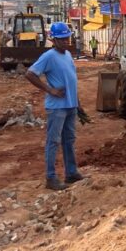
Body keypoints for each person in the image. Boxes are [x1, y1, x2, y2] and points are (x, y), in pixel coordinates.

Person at [26, 22, 87, 191]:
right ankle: (51, 177)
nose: (66, 41)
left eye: (67, 38)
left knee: (69, 140)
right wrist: (49, 89)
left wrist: (78, 103)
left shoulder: (67, 54)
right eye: (62, 39)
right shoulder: (48, 56)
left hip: (70, 106)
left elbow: (71, 80)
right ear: (53, 40)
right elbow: (30, 74)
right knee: (53, 141)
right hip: (57, 107)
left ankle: (71, 173)